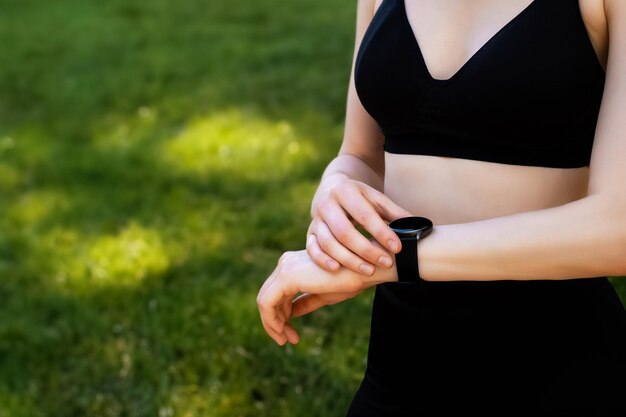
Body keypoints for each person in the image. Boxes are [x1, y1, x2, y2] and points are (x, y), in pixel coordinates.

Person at [257, 0, 626, 415]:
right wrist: (335, 186)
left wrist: (399, 257)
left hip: (561, 368)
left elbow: (619, 229)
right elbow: (362, 154)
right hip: (399, 366)